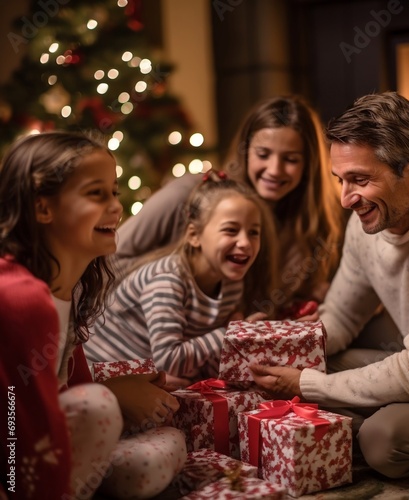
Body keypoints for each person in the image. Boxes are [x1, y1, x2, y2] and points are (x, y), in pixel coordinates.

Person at [250, 91, 409, 481]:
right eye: (340, 180)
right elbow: (342, 317)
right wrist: (277, 342)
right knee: (310, 365)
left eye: (360, 180)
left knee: (384, 441)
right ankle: (356, 426)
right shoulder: (368, 222)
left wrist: (305, 383)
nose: (346, 199)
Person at [0, 131, 186, 499]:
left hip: (39, 452)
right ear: (43, 208)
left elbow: (67, 391)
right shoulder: (20, 298)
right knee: (96, 407)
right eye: (96, 193)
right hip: (14, 466)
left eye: (114, 192)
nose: (116, 206)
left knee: (154, 456)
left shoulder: (71, 290)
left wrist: (130, 385)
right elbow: (11, 420)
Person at [114, 95, 346, 316]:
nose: (275, 170)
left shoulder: (310, 226)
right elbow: (110, 258)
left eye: (291, 159)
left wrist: (308, 306)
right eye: (263, 154)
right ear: (245, 152)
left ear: (309, 165)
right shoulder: (187, 193)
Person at [84, 170, 279, 382]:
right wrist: (231, 333)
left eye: (254, 233)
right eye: (231, 230)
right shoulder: (166, 281)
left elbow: (205, 354)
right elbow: (169, 361)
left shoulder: (232, 284)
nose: (245, 242)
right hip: (106, 374)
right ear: (194, 236)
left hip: (155, 371)